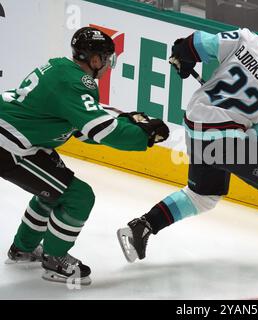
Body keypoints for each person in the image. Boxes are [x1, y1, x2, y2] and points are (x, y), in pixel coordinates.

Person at [117, 21, 258, 271]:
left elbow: (197, 43)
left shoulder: (247, 40)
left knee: (203, 197)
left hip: (198, 124)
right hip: (221, 134)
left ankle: (143, 226)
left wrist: (183, 54)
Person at [0, 27, 169, 285]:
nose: (108, 66)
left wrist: (122, 121)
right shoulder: (76, 83)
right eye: (107, 59)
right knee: (78, 196)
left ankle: (23, 249)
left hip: (19, 140)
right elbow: (102, 131)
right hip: (10, 146)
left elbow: (81, 128)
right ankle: (54, 259)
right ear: (94, 59)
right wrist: (142, 136)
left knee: (54, 190)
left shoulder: (61, 68)